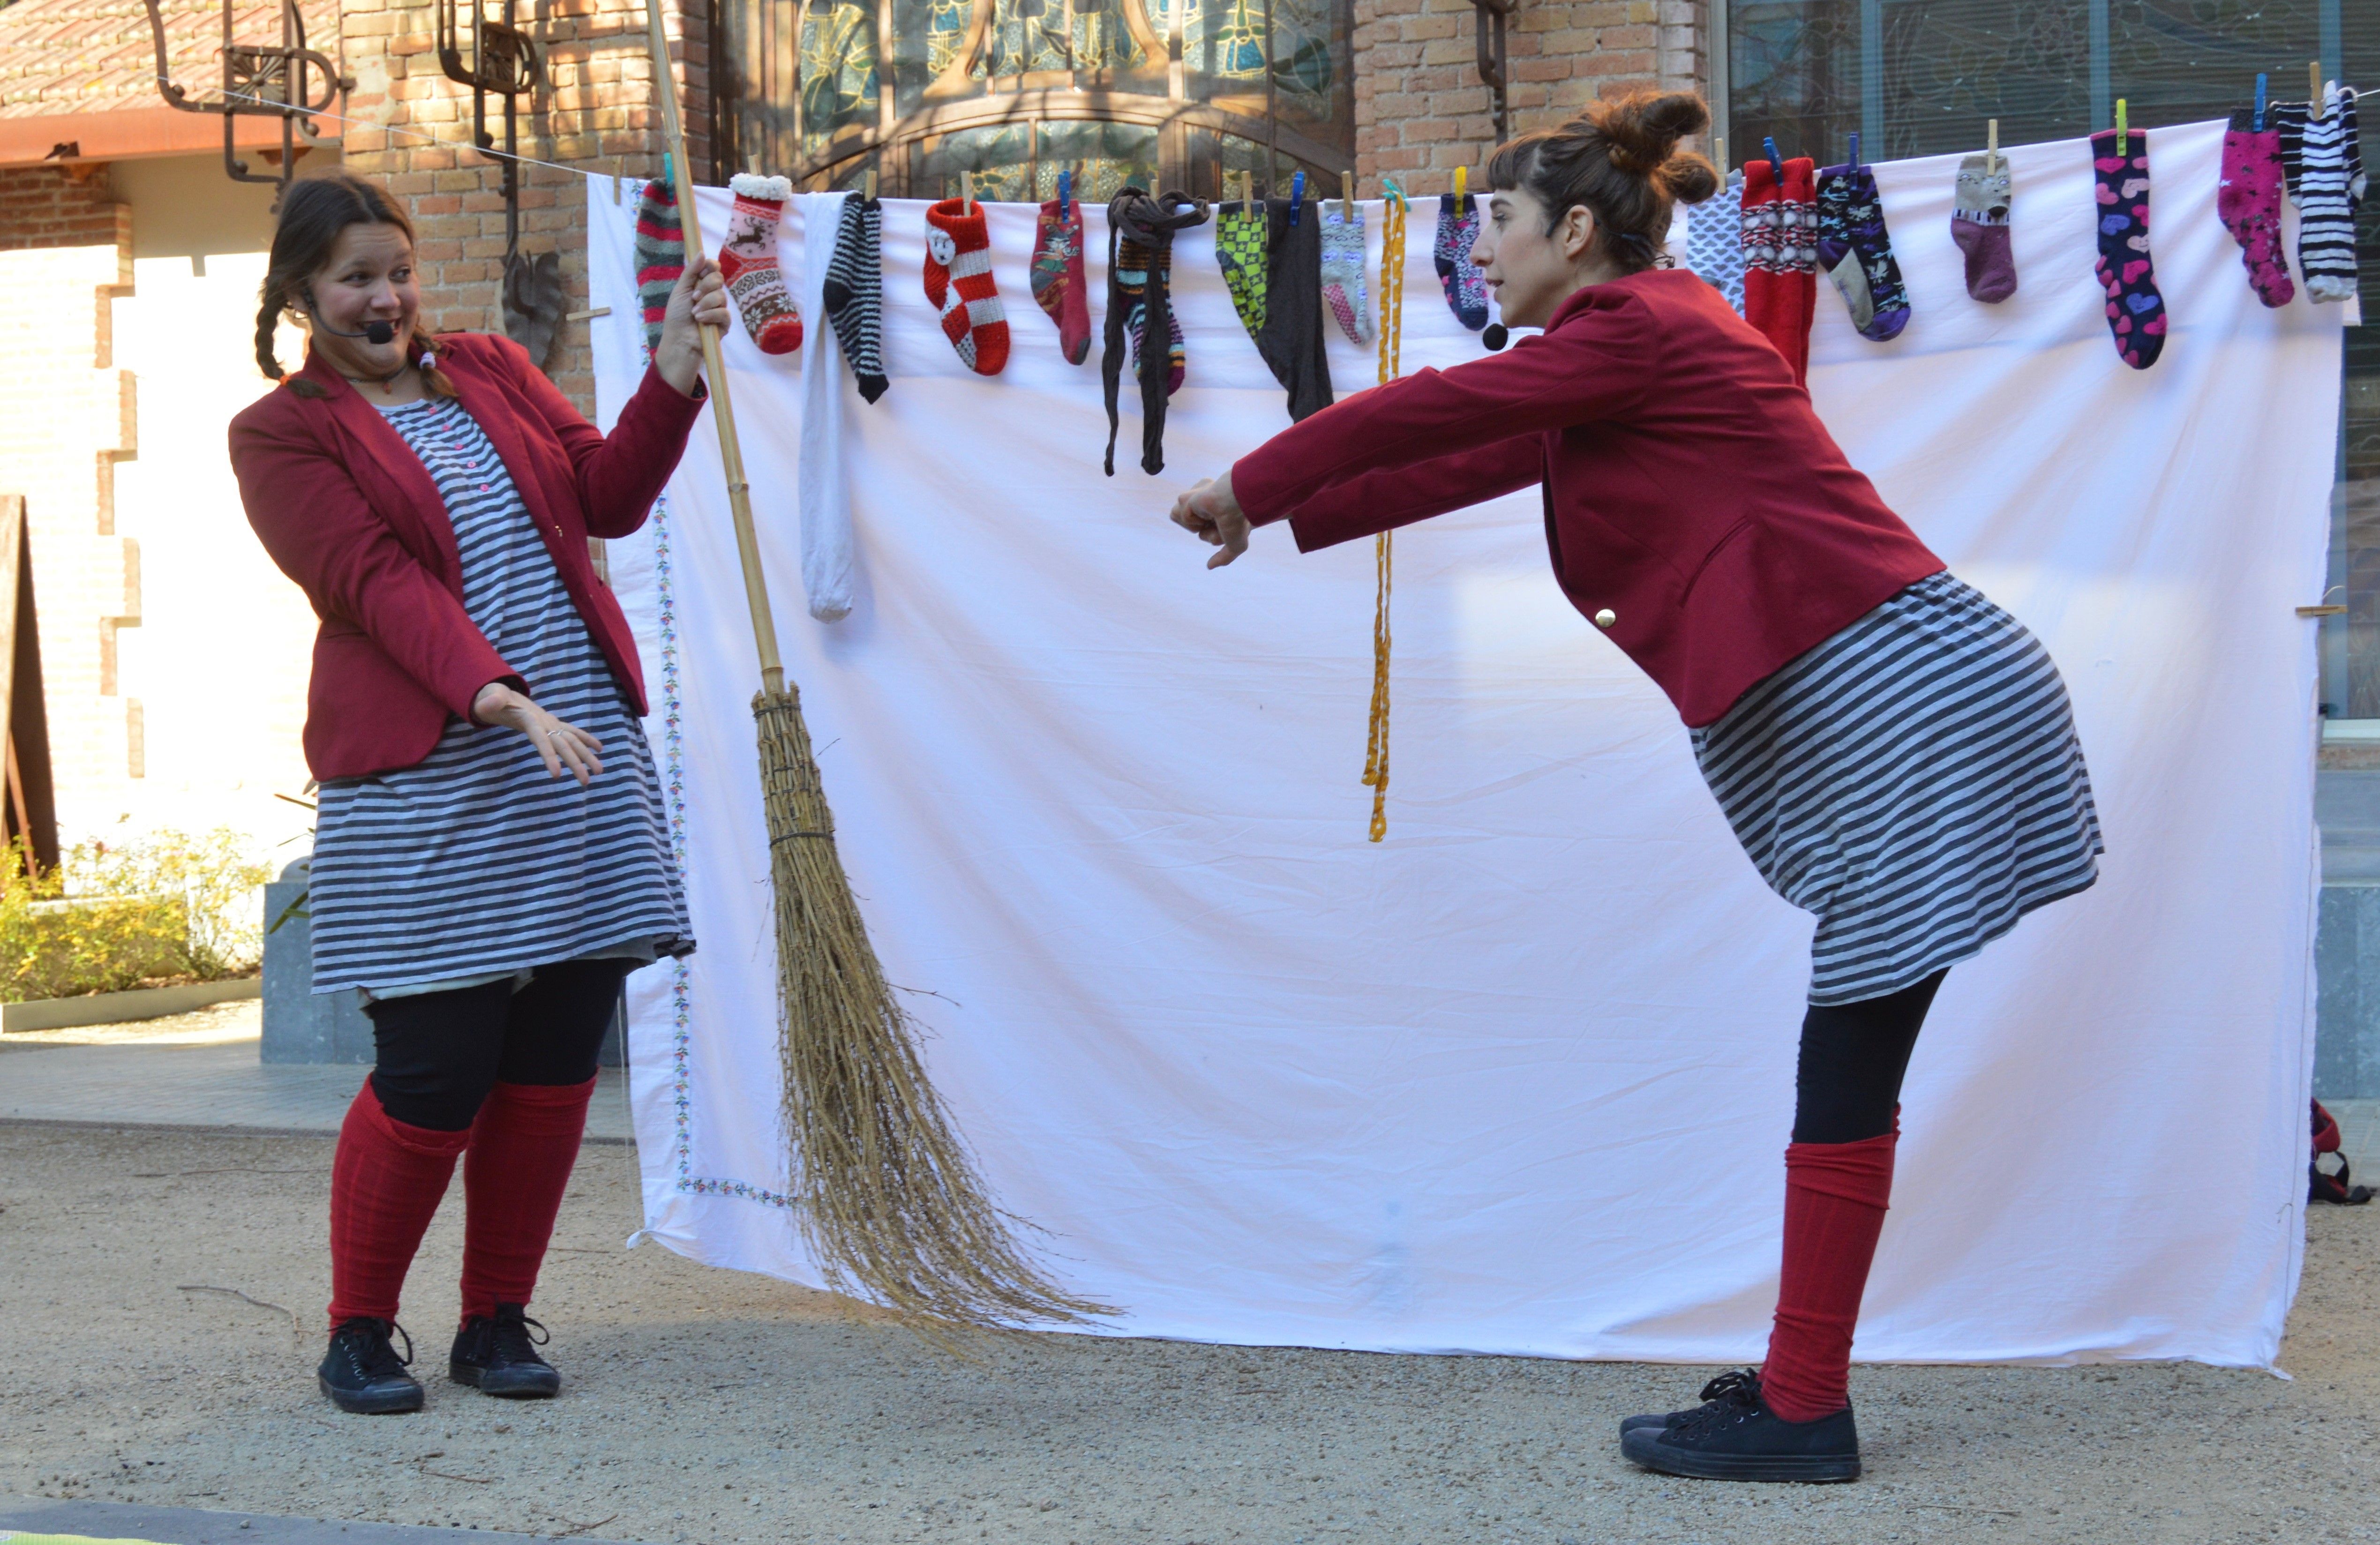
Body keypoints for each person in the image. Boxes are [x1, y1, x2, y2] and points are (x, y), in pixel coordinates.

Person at [1169, 92, 2102, 1482]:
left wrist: (1251, 479)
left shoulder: (1644, 329)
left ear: (1578, 230)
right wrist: (1287, 514)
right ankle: (1800, 1395)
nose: (1479, 247)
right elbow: (1477, 454)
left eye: (1495, 220)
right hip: (1908, 699)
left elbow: (1440, 404)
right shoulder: (1615, 361)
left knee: (1846, 1059)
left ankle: (1803, 1411)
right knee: (1850, 1058)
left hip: (1914, 708)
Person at [230, 172, 728, 1415]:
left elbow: (607, 495)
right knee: (436, 1063)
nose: (387, 295)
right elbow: (372, 583)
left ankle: (496, 1321)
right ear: (300, 294)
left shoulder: (496, 369)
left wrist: (671, 373)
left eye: (397, 268)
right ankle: (359, 1331)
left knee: (559, 1046)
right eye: (355, 277)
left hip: (577, 757)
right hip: (433, 769)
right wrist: (498, 699)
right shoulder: (279, 434)